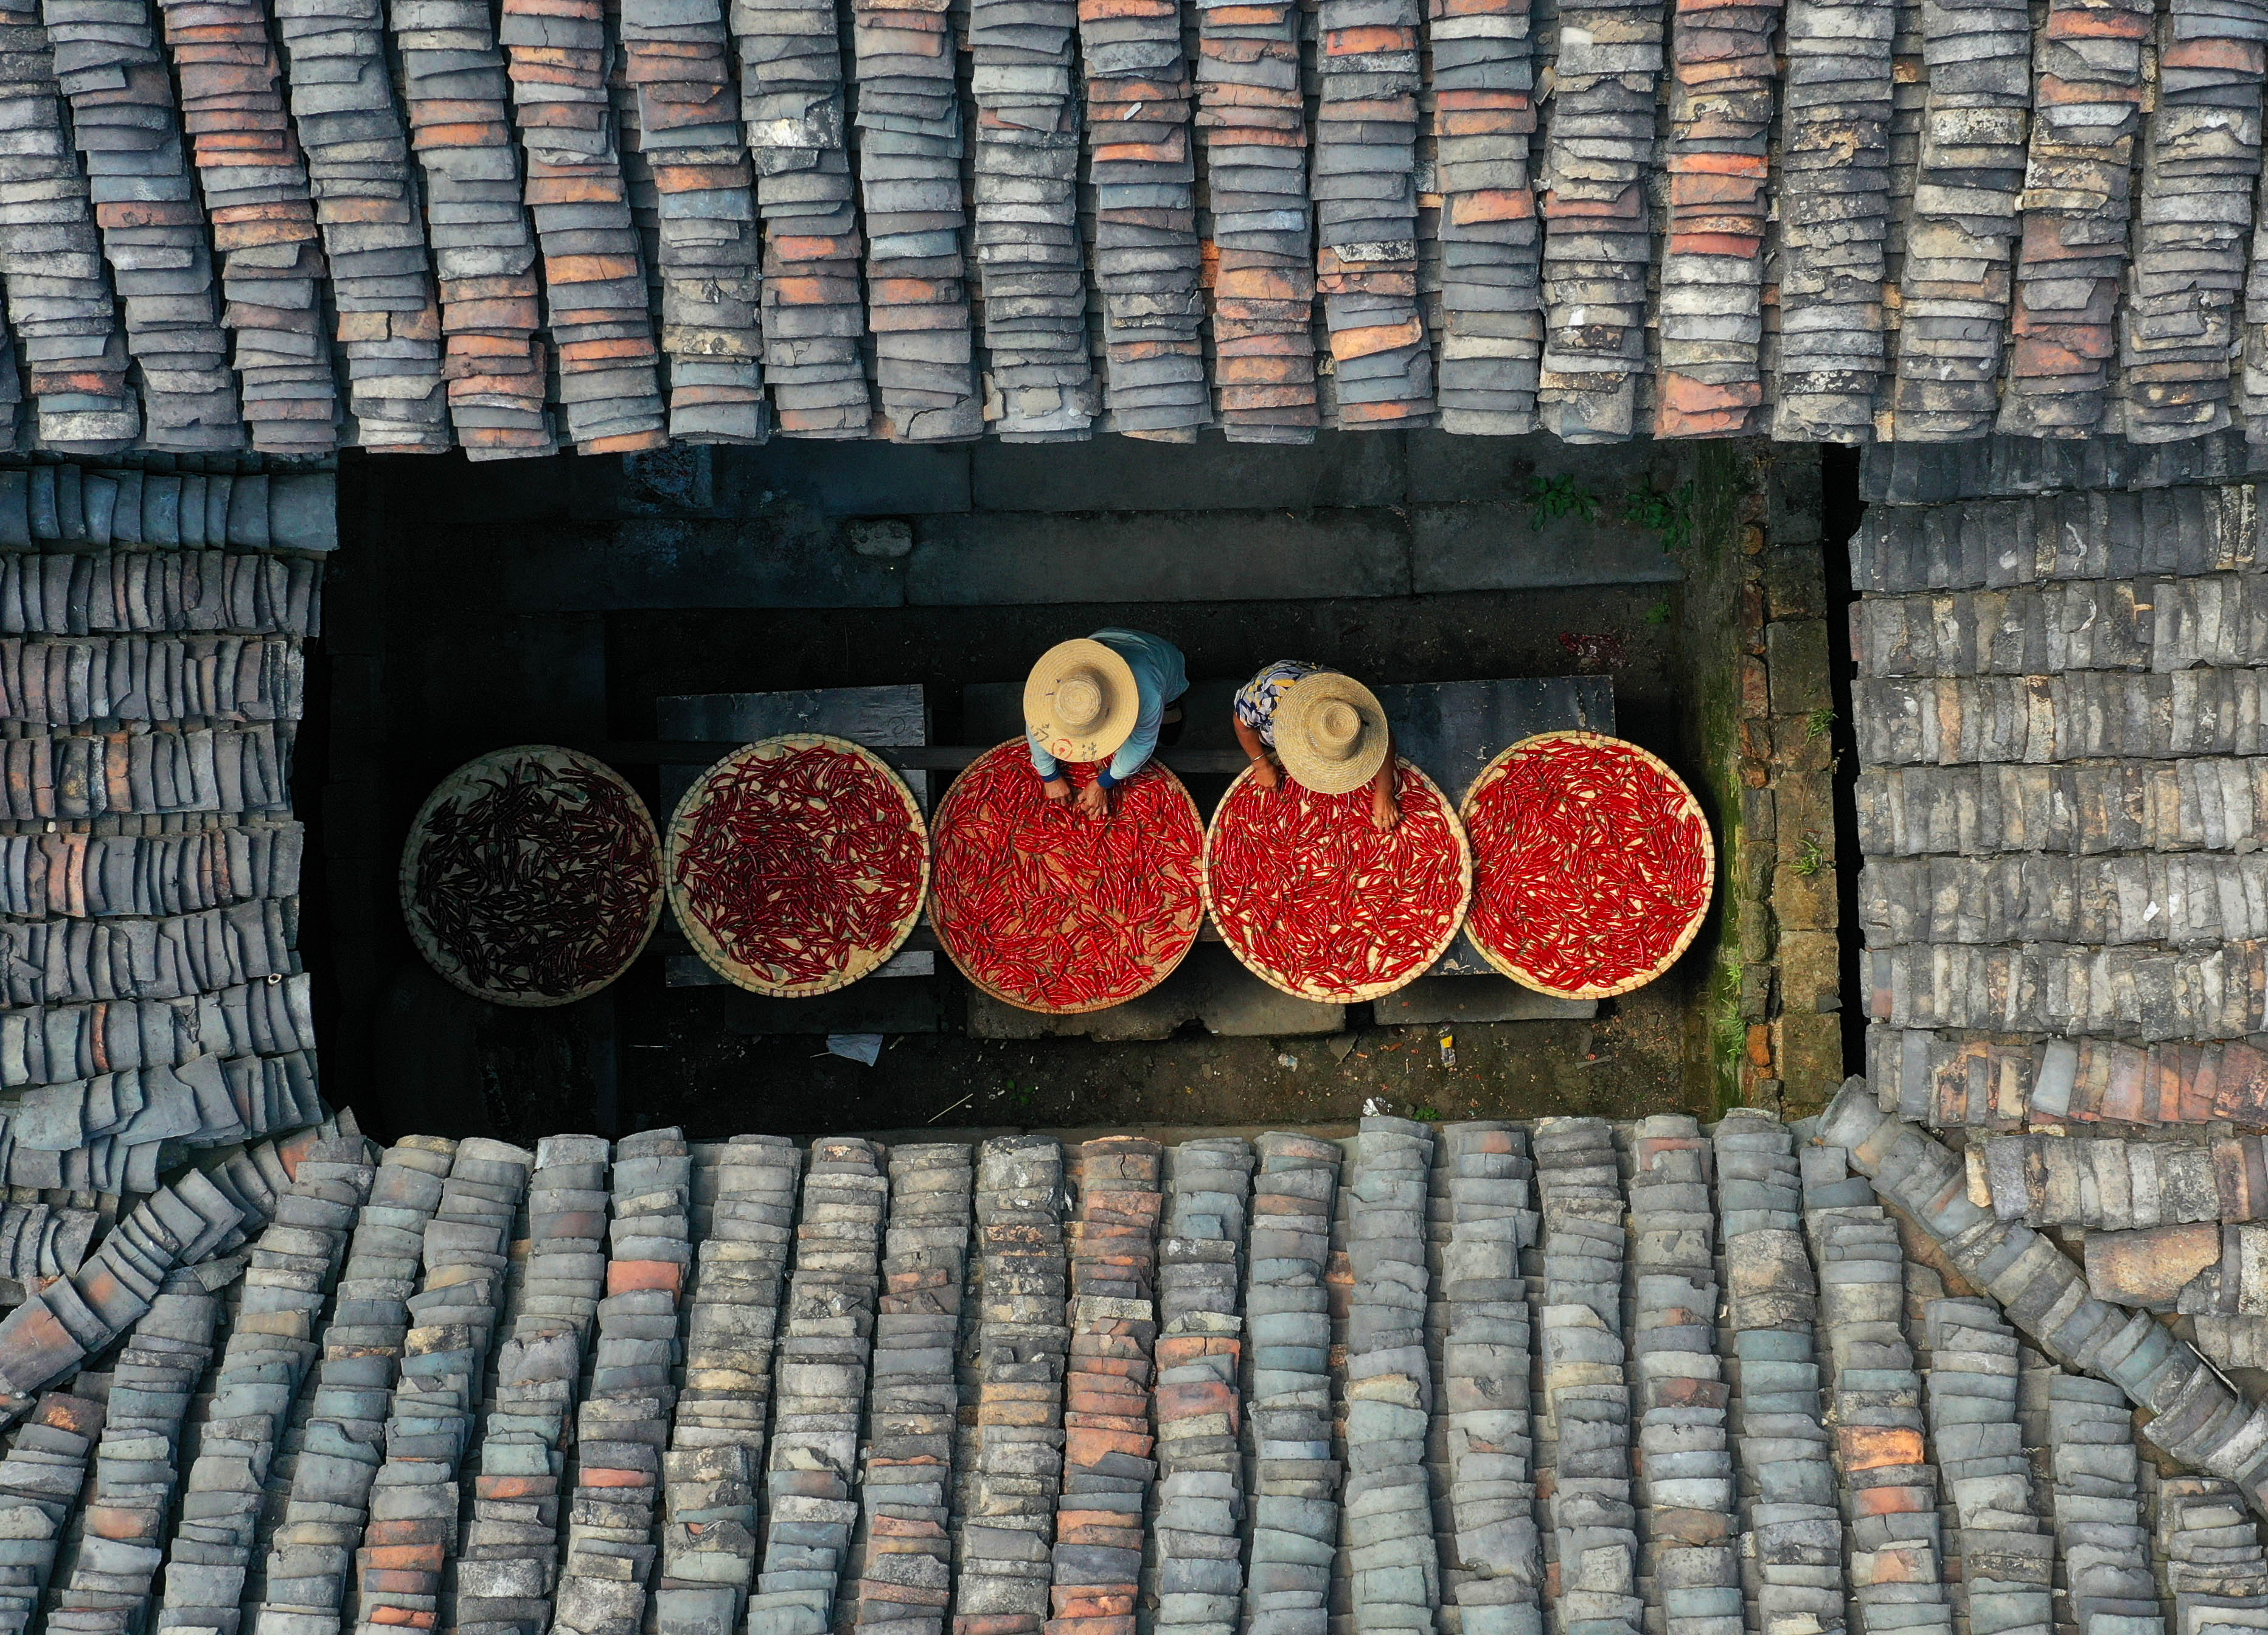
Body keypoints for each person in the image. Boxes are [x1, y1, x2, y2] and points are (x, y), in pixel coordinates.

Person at [1024, 629, 1189, 818]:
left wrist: (1102, 783)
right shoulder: (1065, 679)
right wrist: (1050, 776)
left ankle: (1171, 707)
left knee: (1167, 708)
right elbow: (1037, 723)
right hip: (1105, 643)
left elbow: (1141, 744)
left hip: (1158, 661)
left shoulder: (1147, 696)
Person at [1232, 662, 1400, 830]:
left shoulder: (1348, 710)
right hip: (1265, 720)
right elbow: (1242, 725)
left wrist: (1384, 790)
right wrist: (1261, 764)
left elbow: (1383, 735)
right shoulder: (1270, 694)